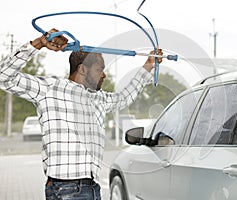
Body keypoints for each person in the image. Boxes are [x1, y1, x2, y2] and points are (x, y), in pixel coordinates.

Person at [0, 28, 162, 199]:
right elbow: (4, 76)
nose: (104, 75)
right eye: (100, 69)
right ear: (83, 69)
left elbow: (124, 97)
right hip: (72, 189)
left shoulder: (98, 98)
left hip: (83, 186)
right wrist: (39, 43)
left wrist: (149, 65)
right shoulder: (50, 89)